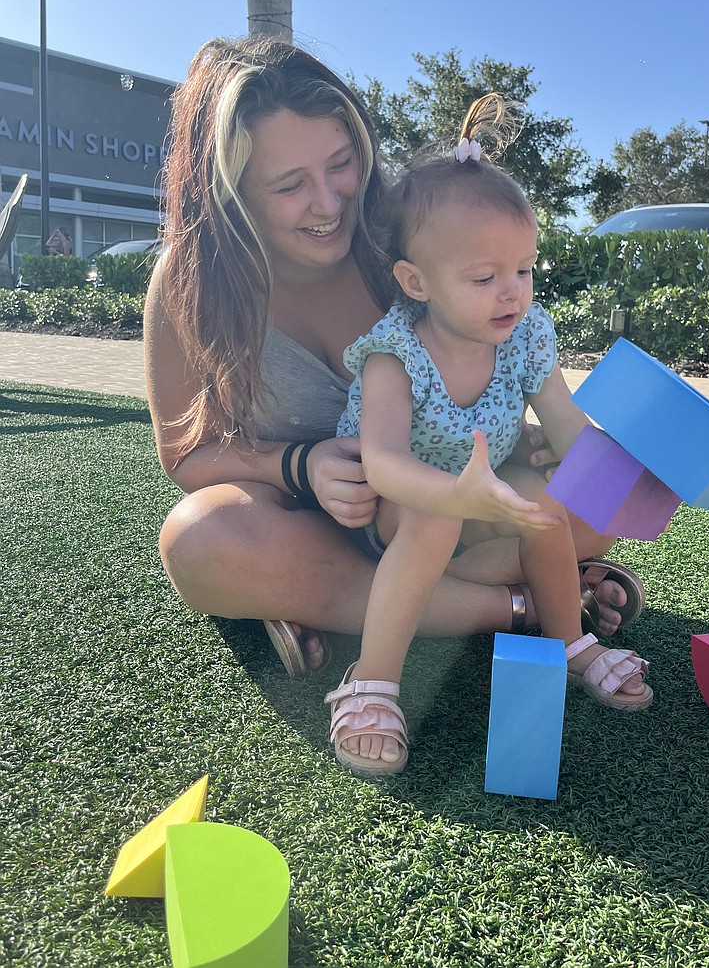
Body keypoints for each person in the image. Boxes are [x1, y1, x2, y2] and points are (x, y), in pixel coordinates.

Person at [144, 35, 646, 702]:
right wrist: (300, 465)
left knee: (601, 502)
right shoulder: (191, 279)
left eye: (341, 165)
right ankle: (525, 606)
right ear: (230, 191)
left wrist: (542, 444)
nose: (330, 203)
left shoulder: (406, 234)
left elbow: (501, 372)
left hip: (440, 509)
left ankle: (319, 601)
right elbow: (186, 456)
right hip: (303, 524)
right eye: (290, 185)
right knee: (200, 541)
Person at [326, 95, 652, 775]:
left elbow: (563, 421)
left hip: (488, 493)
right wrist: (455, 494)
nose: (513, 292)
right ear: (417, 281)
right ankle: (372, 679)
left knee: (547, 504)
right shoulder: (394, 353)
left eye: (524, 269)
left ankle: (572, 643)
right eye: (484, 277)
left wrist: (627, 486)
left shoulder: (525, 336)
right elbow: (381, 463)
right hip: (398, 509)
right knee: (434, 517)